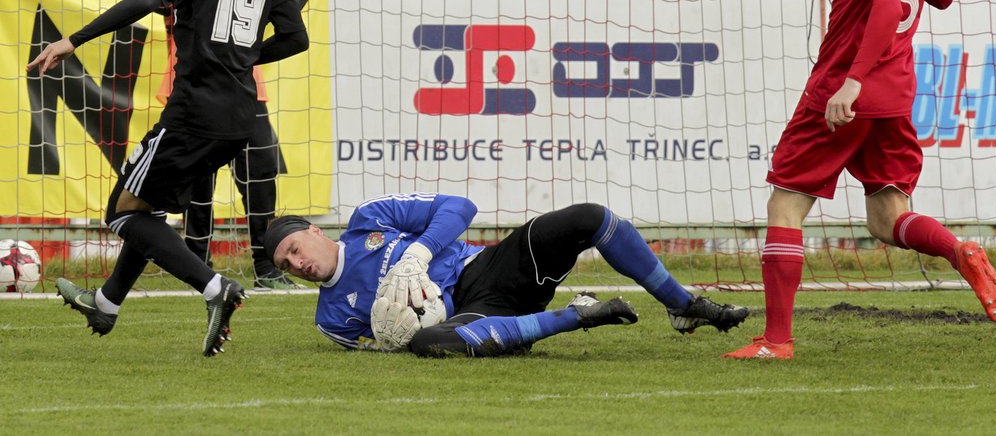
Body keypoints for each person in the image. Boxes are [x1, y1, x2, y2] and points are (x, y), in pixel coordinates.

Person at [724, 0, 996, 361]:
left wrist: (851, 83)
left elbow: (883, 4)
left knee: (785, 204)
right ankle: (959, 249)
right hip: (895, 99)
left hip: (842, 95)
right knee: (886, 218)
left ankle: (777, 342)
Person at [29, 0, 309, 356]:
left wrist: (73, 40)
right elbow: (296, 38)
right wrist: (242, 58)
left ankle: (215, 287)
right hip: (242, 117)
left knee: (120, 212)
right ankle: (107, 303)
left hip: (192, 112)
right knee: (149, 207)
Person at [263, 194, 750, 357]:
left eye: (293, 249)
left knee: (589, 217)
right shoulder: (329, 319)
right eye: (287, 266)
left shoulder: (370, 220)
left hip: (492, 267)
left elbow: (460, 207)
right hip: (474, 316)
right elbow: (384, 344)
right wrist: (402, 326)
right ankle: (576, 316)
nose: (297, 265)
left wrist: (418, 252)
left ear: (312, 230)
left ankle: (683, 306)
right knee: (431, 345)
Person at [124, 0, 311, 290]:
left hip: (247, 90)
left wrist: (254, 26)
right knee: (195, 186)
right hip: (189, 86)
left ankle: (265, 268)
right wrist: (182, 3)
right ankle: (196, 262)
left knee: (260, 175)